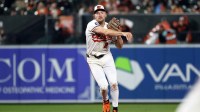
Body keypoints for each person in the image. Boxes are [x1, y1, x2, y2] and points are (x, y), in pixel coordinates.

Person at [85, 5, 133, 112]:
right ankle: (105, 101)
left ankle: (115, 108)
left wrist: (118, 35)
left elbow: (119, 46)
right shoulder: (91, 24)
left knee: (114, 84)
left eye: (102, 12)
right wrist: (123, 33)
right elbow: (105, 32)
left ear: (106, 14)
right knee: (104, 87)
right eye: (97, 12)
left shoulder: (111, 28)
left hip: (106, 57)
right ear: (94, 15)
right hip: (93, 60)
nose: (100, 14)